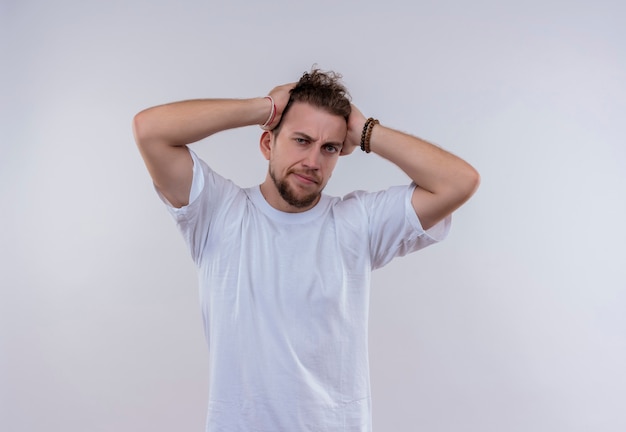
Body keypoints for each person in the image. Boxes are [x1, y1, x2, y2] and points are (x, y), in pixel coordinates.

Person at [133, 68, 480, 431]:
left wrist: (365, 131)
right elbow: (150, 130)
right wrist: (263, 108)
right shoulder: (218, 212)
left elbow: (459, 182)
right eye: (301, 140)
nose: (313, 162)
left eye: (328, 147)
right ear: (268, 143)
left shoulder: (356, 222)